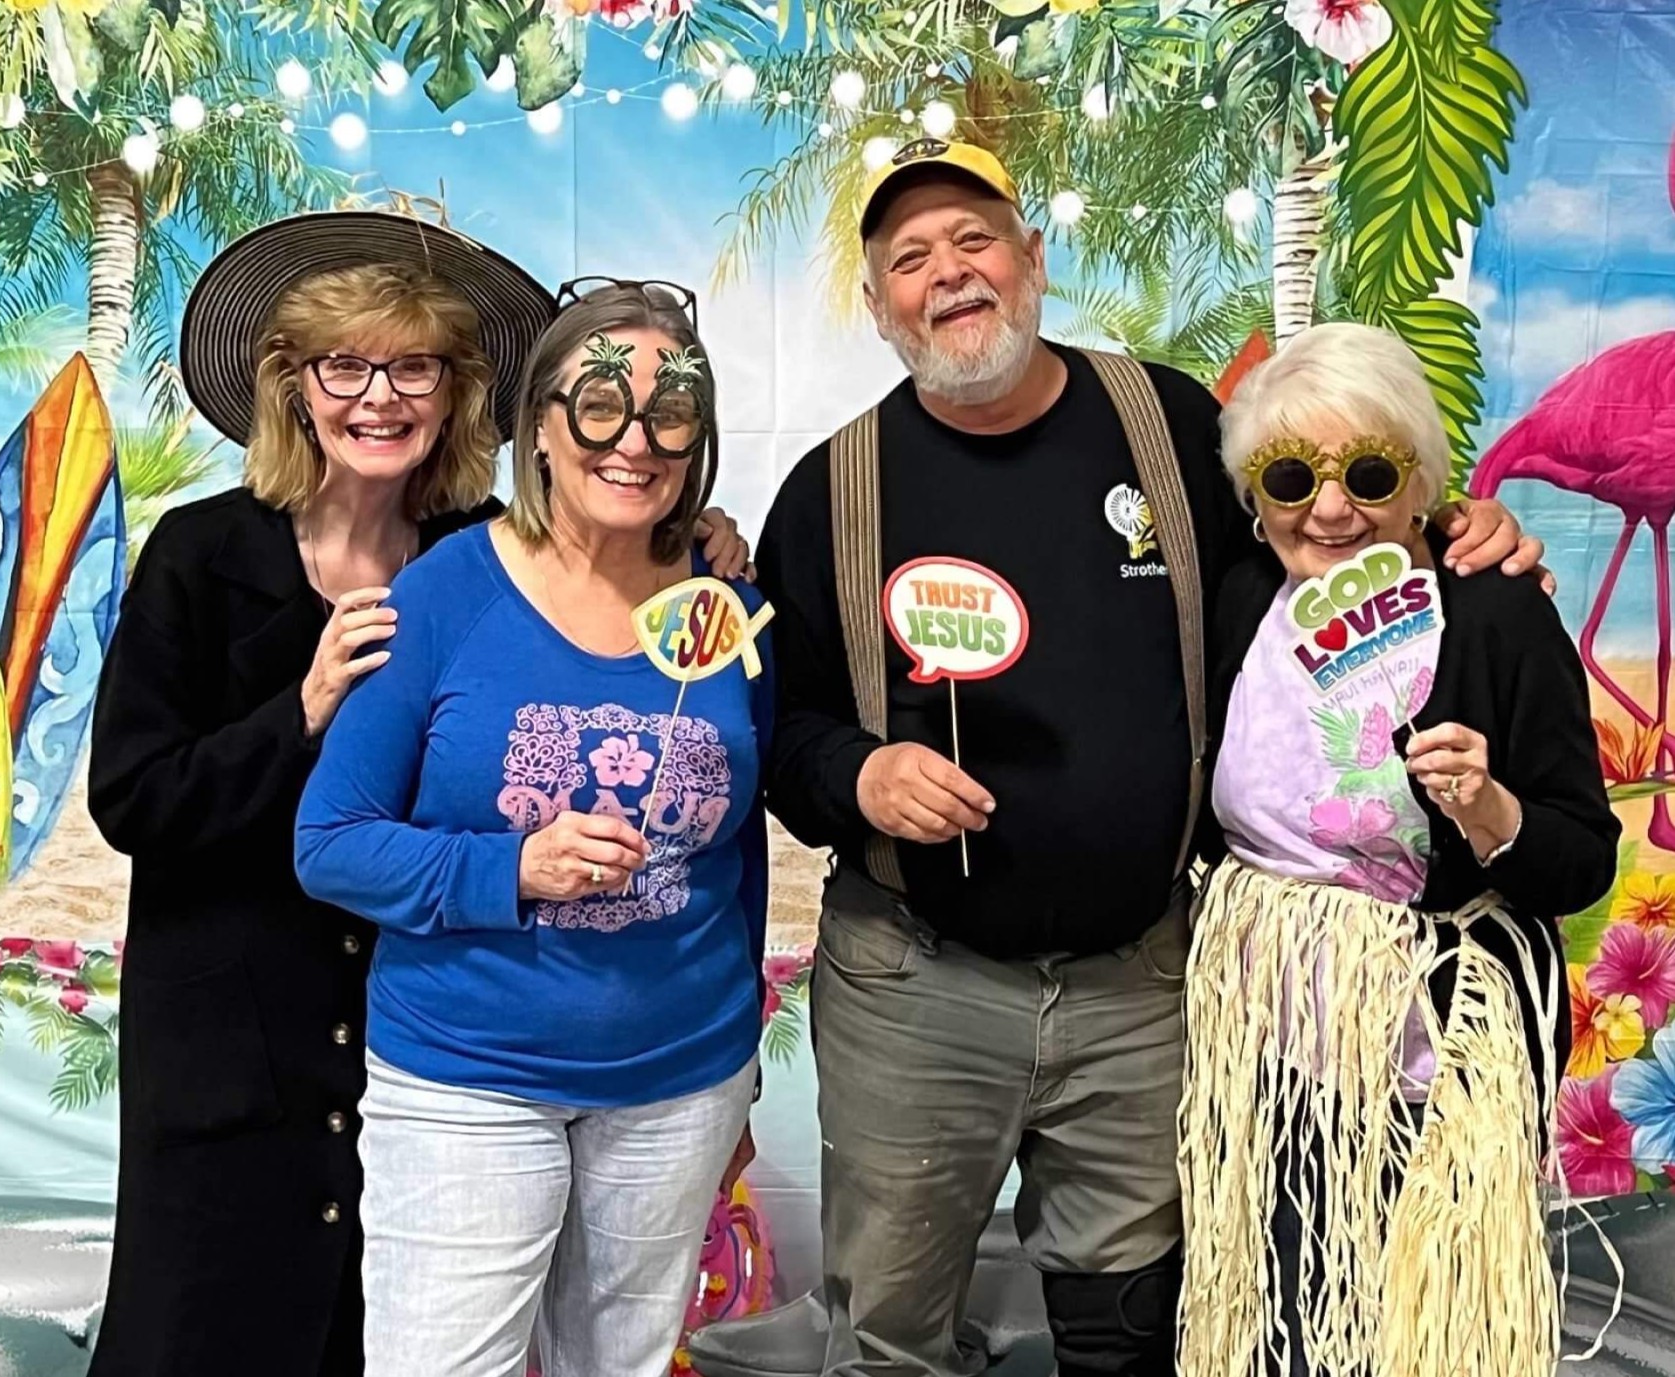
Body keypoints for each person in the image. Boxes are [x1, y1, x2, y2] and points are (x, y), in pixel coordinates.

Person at [740, 139, 1542, 1377]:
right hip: (917, 989)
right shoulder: (830, 491)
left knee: (1129, 1320)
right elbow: (783, 734)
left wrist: (1450, 525)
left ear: (1033, 260)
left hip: (1144, 980)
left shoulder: (1165, 426)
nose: (949, 274)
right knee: (892, 1325)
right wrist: (858, 776)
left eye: (975, 240)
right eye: (910, 258)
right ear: (877, 304)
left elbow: (1314, 542)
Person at [87, 217, 749, 1377]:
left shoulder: (481, 558)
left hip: (423, 1009)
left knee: (381, 1322)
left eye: (415, 368)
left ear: (459, 396)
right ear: (295, 387)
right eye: (346, 366)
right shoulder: (202, 555)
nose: (379, 397)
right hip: (242, 1018)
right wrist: (297, 710)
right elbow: (135, 799)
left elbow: (605, 563)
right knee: (210, 1316)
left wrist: (684, 536)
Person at [294, 280, 772, 1377]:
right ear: (541, 426)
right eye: (599, 403)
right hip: (470, 1077)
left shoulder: (728, 609)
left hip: (678, 1082)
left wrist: (737, 1062)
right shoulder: (443, 594)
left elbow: (738, 850)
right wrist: (515, 867)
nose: (634, 439)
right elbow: (330, 840)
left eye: (671, 408)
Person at [1176, 323, 1616, 1377]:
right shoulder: (1245, 600)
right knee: (1277, 1308)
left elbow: (1582, 858)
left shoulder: (1496, 613)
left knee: (1423, 1331)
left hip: (1440, 1052)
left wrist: (1493, 813)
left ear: (1421, 483)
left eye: (1368, 473)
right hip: (1266, 1042)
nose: (1329, 508)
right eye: (1290, 478)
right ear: (1254, 496)